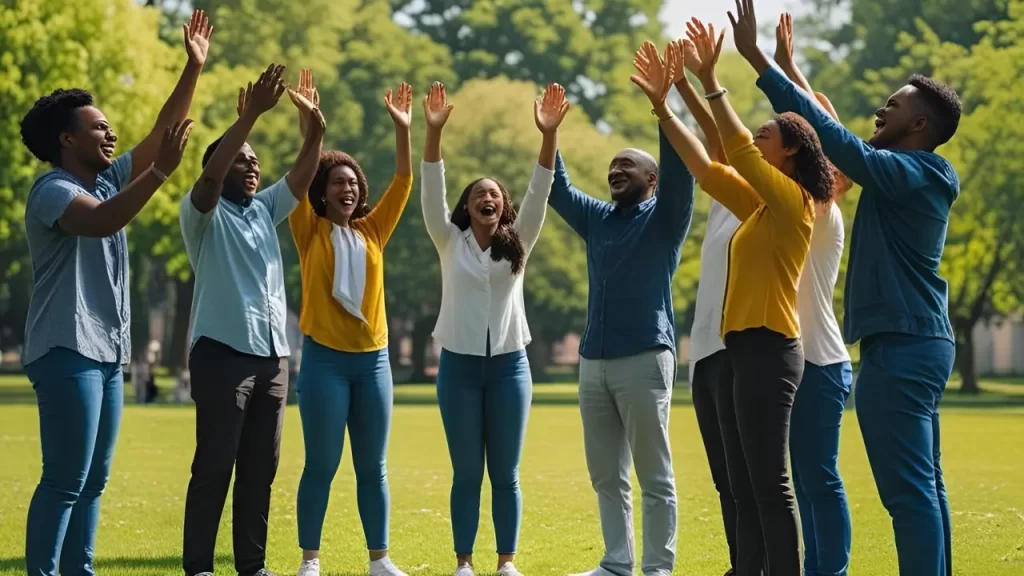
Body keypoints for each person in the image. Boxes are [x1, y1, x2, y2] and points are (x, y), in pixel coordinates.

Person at [742, 0, 963, 572]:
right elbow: (840, 137)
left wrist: (762, 66)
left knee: (909, 494)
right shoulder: (908, 174)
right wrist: (794, 75)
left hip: (902, 347)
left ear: (920, 126)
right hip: (913, 344)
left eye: (892, 106)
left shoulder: (919, 173)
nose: (878, 111)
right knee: (926, 488)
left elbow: (840, 146)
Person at [634, 22, 834, 572]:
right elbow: (706, 166)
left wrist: (710, 80)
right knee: (744, 484)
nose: (756, 138)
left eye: (768, 134)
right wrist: (662, 107)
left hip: (771, 349)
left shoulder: (794, 201)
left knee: (770, 484)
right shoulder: (760, 207)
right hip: (742, 349)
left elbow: (738, 149)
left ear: (790, 149)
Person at [18, 10, 209, 576]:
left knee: (94, 479)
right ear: (67, 139)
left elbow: (158, 137)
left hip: (106, 353)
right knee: (65, 478)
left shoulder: (102, 179)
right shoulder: (52, 191)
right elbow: (101, 222)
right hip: (64, 348)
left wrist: (192, 68)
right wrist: (157, 177)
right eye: (99, 127)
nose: (111, 134)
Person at [549, 45, 695, 576]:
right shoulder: (599, 219)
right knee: (607, 475)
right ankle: (616, 564)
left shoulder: (665, 217)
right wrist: (549, 136)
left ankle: (657, 568)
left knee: (654, 475)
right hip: (595, 362)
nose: (615, 172)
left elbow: (683, 174)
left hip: (645, 358)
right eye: (612, 167)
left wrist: (663, 107)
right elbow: (558, 191)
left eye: (627, 167)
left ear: (651, 181)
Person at [179, 64, 325, 576]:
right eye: (241, 160)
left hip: (272, 358)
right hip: (222, 354)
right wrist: (249, 120)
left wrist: (317, 130)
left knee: (261, 470)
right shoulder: (202, 212)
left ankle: (253, 567)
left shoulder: (264, 209)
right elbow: (213, 175)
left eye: (255, 161)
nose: (252, 166)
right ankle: (199, 566)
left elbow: (304, 177)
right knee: (215, 464)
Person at [420, 81, 570, 576]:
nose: (488, 197)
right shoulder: (448, 240)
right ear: (468, 206)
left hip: (509, 367)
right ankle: (464, 561)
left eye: (495, 194)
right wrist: (434, 132)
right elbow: (432, 186)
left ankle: (506, 561)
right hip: (458, 368)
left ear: (503, 207)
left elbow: (540, 188)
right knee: (467, 474)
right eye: (479, 193)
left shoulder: (519, 241)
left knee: (505, 474)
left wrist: (548, 135)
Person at [290, 78, 413, 576]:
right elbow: (297, 181)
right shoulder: (308, 228)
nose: (348, 188)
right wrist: (310, 128)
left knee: (372, 469)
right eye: (337, 182)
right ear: (324, 191)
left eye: (354, 182)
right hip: (324, 363)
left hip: (373, 364)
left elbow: (403, 181)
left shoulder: (372, 231)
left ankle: (379, 559)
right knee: (320, 465)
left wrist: (403, 130)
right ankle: (310, 559)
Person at [773, 13, 855, 576]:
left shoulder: (823, 208)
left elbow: (833, 144)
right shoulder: (785, 201)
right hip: (789, 357)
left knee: (817, 475)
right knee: (800, 478)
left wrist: (789, 69)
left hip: (821, 361)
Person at [673, 35, 740, 576]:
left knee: (753, 476)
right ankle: (742, 564)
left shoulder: (766, 197)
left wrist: (701, 83)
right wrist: (678, 85)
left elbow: (723, 141)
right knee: (724, 477)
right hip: (707, 353)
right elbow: (714, 145)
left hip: (746, 350)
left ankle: (763, 564)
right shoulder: (724, 196)